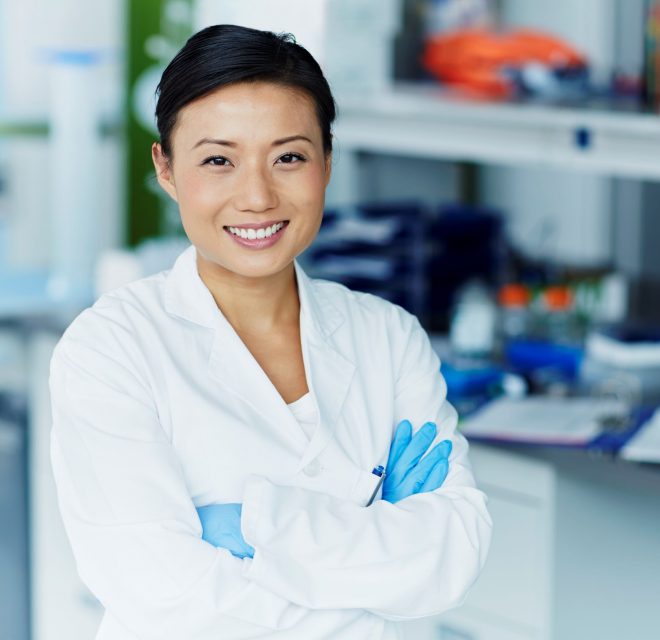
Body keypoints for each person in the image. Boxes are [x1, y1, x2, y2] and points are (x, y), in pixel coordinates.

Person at [49, 24, 492, 640]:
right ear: (167, 169)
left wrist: (256, 524)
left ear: (327, 164)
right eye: (218, 160)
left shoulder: (388, 338)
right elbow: (162, 595)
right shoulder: (110, 349)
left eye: (288, 157)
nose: (256, 196)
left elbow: (453, 555)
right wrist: (368, 554)